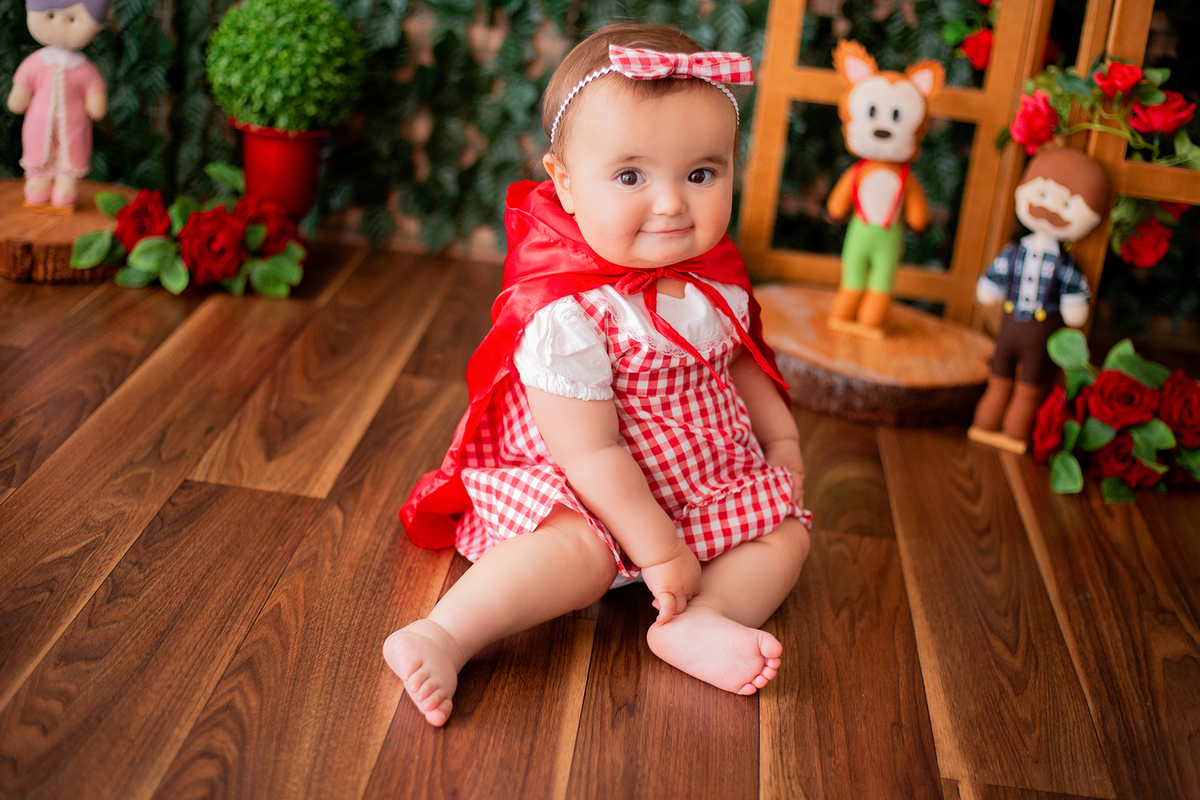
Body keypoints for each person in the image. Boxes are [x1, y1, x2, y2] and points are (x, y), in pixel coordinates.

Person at [385, 23, 812, 727]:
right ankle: (445, 633)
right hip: (591, 486)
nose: (673, 203)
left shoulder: (716, 285)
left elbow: (742, 366)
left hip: (699, 472)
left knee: (785, 534)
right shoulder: (571, 313)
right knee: (576, 557)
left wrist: (784, 443)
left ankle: (702, 620)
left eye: (701, 173)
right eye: (631, 176)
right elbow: (590, 450)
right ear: (567, 184)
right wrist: (657, 546)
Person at [969, 147, 1108, 452]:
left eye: (1068, 203)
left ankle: (1015, 431)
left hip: (1038, 333)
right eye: (1043, 195)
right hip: (1008, 328)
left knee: (1028, 388)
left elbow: (1074, 301)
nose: (1051, 209)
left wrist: (1074, 304)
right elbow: (994, 278)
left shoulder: (1065, 264)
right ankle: (986, 422)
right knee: (998, 377)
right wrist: (989, 287)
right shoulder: (1015, 251)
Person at [6, 0, 108, 211]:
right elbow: (21, 89)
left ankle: (66, 184)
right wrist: (18, 99)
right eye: (51, 16)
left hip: (74, 126)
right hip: (38, 125)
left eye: (71, 19)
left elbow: (95, 94)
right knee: (37, 151)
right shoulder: (36, 62)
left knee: (71, 153)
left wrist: (96, 103)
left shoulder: (83, 68)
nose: (60, 25)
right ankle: (38, 181)